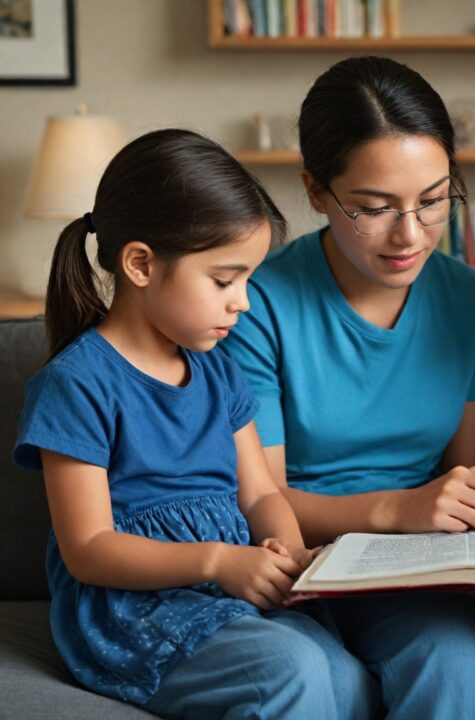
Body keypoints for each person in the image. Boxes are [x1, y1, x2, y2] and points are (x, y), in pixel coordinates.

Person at [14, 129, 377, 719]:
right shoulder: (77, 383)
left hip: (227, 588)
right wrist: (216, 560)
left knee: (346, 675)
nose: (243, 302)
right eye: (222, 280)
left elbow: (260, 492)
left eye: (247, 281)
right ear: (140, 264)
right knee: (292, 670)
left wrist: (285, 547)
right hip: (132, 607)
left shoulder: (219, 372)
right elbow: (87, 549)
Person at [221, 56, 475, 719]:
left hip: (415, 576)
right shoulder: (257, 303)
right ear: (317, 191)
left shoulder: (469, 300)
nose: (410, 235)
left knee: (461, 667)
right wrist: (401, 509)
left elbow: (470, 473)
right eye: (374, 209)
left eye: (434, 200)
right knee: (322, 684)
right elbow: (259, 497)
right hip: (290, 567)